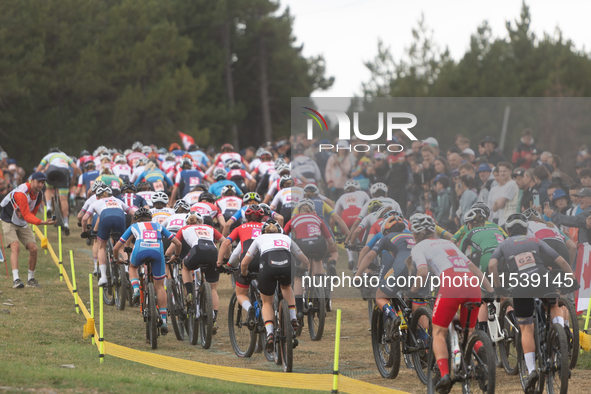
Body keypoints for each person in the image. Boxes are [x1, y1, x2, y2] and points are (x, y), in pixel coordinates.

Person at [488, 213, 577, 391]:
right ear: (525, 228)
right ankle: (559, 337)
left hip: (521, 285)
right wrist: (572, 280)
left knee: (526, 327)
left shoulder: (505, 243)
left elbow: (492, 265)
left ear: (507, 230)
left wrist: (498, 287)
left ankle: (531, 371)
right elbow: (560, 260)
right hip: (543, 278)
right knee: (552, 304)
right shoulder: (534, 239)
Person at [407, 213, 493, 392]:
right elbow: (472, 267)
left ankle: (445, 374)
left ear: (414, 234)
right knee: (468, 330)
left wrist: (412, 291)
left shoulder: (419, 247)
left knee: (438, 332)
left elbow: (422, 273)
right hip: (472, 284)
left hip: (451, 284)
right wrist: (490, 290)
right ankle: (480, 348)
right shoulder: (448, 243)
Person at [240, 220, 309, 351]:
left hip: (267, 266)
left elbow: (244, 263)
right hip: (287, 265)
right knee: (286, 287)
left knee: (267, 302)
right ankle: (293, 318)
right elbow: (305, 260)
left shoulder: (259, 238)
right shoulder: (285, 237)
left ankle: (270, 333)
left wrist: (244, 274)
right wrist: (301, 268)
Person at [113, 208, 181, 335]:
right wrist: (176, 255)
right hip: (157, 252)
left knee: (133, 267)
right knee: (160, 286)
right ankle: (164, 320)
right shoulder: (158, 225)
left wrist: (116, 259)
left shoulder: (134, 226)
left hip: (140, 250)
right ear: (151, 218)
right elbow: (177, 243)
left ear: (136, 218)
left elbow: (117, 247)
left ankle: (136, 289)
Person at [0, 172, 56, 288]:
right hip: (8, 219)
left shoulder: (39, 195)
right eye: (38, 182)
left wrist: (27, 216)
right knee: (15, 246)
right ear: (32, 181)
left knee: (34, 248)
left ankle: (30, 280)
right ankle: (16, 280)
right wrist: (42, 222)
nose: (40, 185)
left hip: (22, 221)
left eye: (42, 182)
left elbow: (32, 214)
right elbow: (27, 215)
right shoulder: (22, 192)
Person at [217, 204, 265, 328]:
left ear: (246, 218)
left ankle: (249, 308)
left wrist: (221, 263)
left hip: (248, 262)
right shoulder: (267, 227)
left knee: (241, 294)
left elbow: (226, 244)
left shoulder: (241, 227)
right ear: (262, 218)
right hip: (267, 261)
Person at [459, 207, 505, 329]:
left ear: (469, 224)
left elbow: (459, 255)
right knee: (504, 294)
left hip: (488, 260)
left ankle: (483, 331)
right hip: (505, 260)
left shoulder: (470, 233)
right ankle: (512, 322)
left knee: (483, 296)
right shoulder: (496, 228)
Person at [37, 148, 81, 235]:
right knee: (63, 199)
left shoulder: (48, 156)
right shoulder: (64, 155)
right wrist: (72, 180)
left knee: (48, 189)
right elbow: (75, 168)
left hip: (51, 171)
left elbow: (38, 170)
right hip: (63, 173)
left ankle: (49, 206)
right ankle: (66, 223)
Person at [487, 161, 518, 226]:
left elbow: (500, 204)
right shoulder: (504, 186)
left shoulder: (511, 184)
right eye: (500, 171)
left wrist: (496, 202)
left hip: (509, 220)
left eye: (504, 171)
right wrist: (497, 203)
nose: (502, 173)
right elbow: (494, 209)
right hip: (502, 221)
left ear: (510, 171)